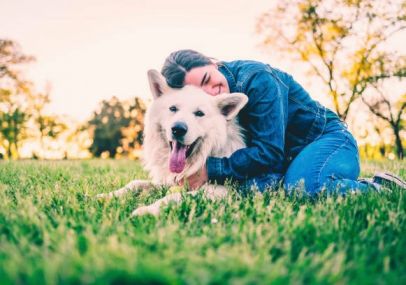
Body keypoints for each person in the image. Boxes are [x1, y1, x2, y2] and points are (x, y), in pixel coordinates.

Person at [160, 49, 405, 195]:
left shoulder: (257, 79)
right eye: (199, 91)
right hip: (286, 161)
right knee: (254, 189)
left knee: (303, 189)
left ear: (213, 63)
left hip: (327, 139)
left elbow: (269, 152)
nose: (211, 91)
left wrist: (211, 170)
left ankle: (379, 186)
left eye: (207, 78)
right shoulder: (207, 110)